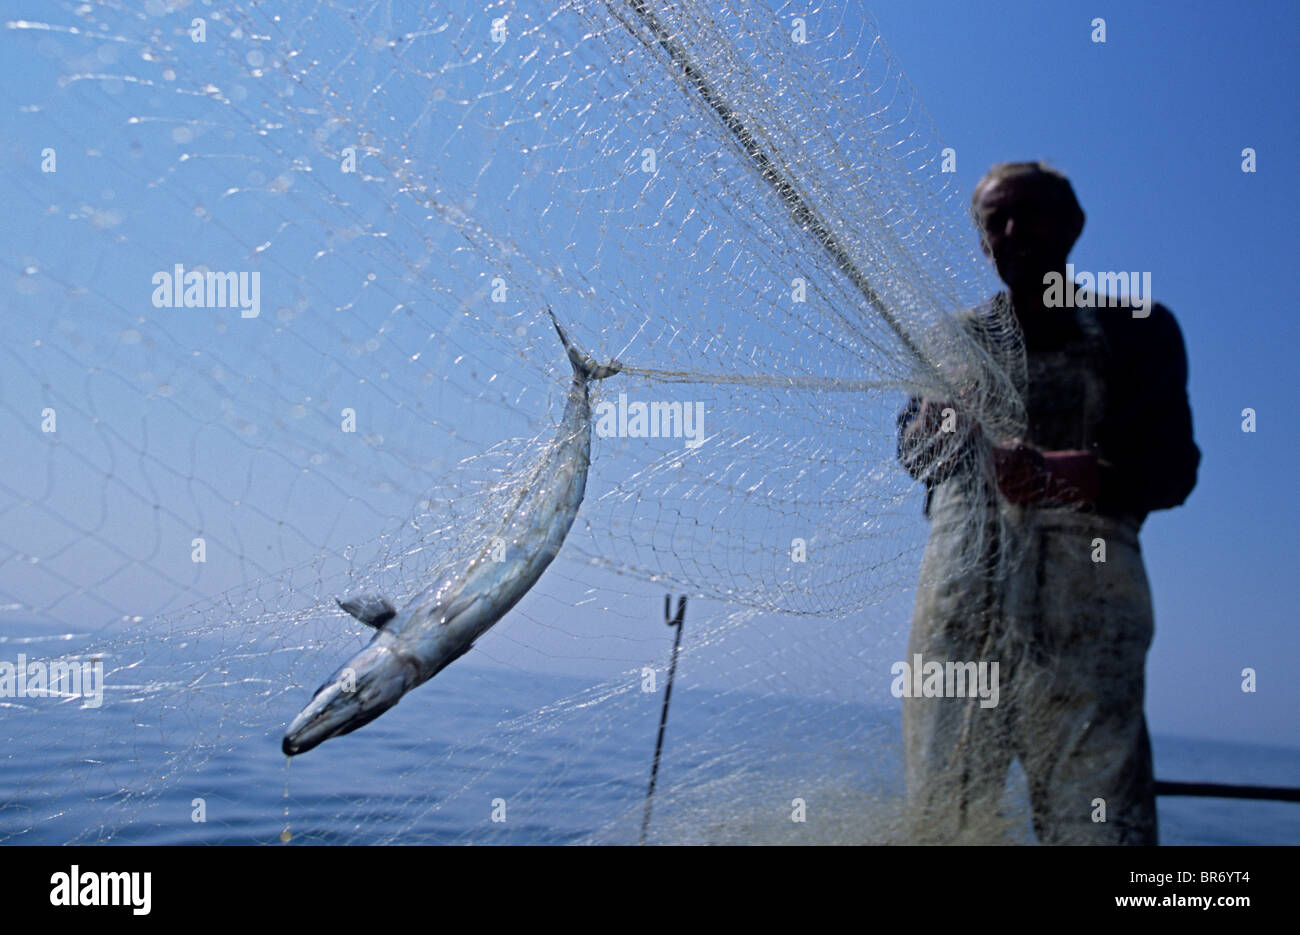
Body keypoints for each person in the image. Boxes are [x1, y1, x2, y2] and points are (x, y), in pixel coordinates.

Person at [896, 162, 1199, 844]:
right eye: (994, 222)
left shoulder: (1138, 329)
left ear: (1072, 228)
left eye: (1029, 215)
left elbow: (1172, 467)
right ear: (982, 244)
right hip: (958, 614)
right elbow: (914, 452)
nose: (1012, 231)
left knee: (1097, 824)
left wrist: (1063, 473)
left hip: (1086, 620)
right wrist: (943, 423)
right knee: (943, 820)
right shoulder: (951, 340)